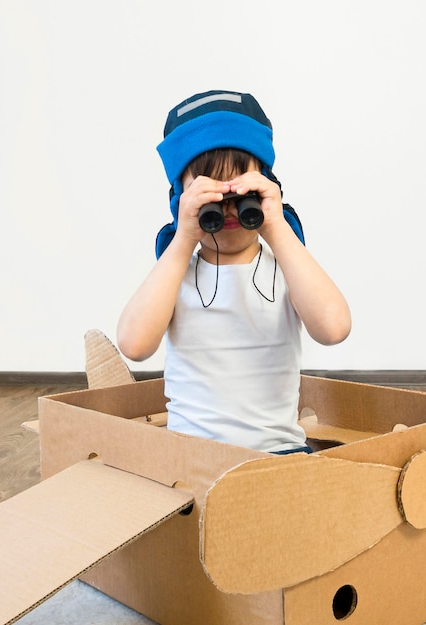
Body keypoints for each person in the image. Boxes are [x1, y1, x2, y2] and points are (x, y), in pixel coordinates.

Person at [117, 90, 351, 453]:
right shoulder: (175, 276)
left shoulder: (288, 269)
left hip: (277, 454)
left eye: (241, 194)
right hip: (191, 456)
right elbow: (133, 345)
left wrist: (276, 226)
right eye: (209, 195)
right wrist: (183, 238)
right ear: (182, 198)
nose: (227, 209)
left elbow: (334, 328)